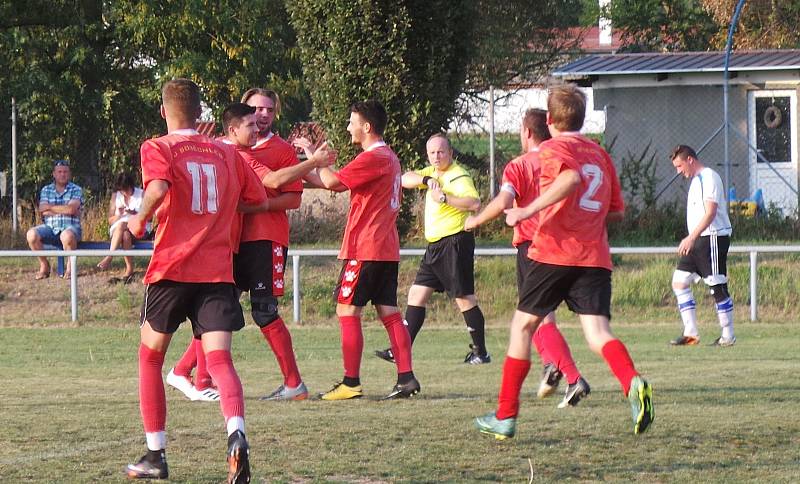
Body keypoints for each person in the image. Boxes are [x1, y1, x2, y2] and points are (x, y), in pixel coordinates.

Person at [473, 84, 654, 439]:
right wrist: (586, 216)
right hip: (594, 256)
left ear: (551, 120)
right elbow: (616, 212)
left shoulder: (555, 147)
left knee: (522, 327)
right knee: (598, 334)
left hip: (554, 251)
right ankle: (632, 383)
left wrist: (526, 209)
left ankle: (505, 417)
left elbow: (570, 178)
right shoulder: (600, 154)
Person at [124, 79, 268, 483]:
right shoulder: (226, 152)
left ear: (163, 110)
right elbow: (255, 197)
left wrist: (140, 217)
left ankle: (156, 454)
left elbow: (157, 186)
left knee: (151, 357)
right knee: (220, 360)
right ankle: (236, 433)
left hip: (172, 268)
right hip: (218, 272)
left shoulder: (158, 146)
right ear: (201, 111)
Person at [167, 98, 335, 403]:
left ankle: (290, 382)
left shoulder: (278, 150)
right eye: (255, 113)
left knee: (257, 310)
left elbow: (293, 196)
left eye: (268, 111)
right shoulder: (225, 150)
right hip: (229, 242)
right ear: (235, 125)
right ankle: (192, 375)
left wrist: (258, 203)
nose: (261, 118)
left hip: (264, 239)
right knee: (217, 309)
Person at [465, 108, 589, 407]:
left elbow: (505, 201)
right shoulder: (561, 161)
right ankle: (552, 365)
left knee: (534, 319)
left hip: (533, 247)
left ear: (527, 133)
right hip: (564, 246)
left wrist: (477, 220)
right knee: (536, 317)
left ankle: (571, 377)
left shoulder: (519, 165)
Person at [304, 100, 420, 401]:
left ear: (366, 127)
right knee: (390, 314)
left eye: (351, 121)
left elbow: (330, 180)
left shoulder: (374, 157)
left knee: (347, 309)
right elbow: (328, 183)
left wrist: (315, 158)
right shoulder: (388, 157)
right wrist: (300, 170)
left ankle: (350, 382)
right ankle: (406, 378)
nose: (348, 126)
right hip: (385, 247)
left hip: (365, 246)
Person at [373, 133, 489, 365]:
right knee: (416, 294)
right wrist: (426, 181)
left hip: (454, 242)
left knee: (464, 298)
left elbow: (474, 203)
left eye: (441, 152)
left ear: (450, 153)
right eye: (432, 152)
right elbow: (405, 179)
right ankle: (400, 351)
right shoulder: (433, 173)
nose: (436, 156)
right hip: (436, 246)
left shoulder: (458, 176)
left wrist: (444, 197)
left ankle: (481, 353)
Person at [669, 145, 735, 347]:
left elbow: (711, 213)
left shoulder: (709, 177)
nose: (679, 171)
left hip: (712, 237)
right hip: (698, 239)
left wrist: (691, 238)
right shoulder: (697, 181)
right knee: (679, 281)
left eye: (680, 166)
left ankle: (728, 335)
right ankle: (691, 334)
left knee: (716, 285)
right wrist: (692, 238)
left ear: (690, 160)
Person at [26, 159, 84, 279]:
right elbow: (42, 210)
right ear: (54, 174)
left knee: (66, 236)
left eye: (65, 172)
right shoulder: (46, 190)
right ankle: (44, 265)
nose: (62, 174)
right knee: (31, 235)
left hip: (71, 228)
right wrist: (64, 209)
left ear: (69, 174)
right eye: (59, 172)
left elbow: (71, 210)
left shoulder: (76, 189)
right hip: (50, 228)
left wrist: (50, 208)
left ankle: (70, 268)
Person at [97, 172, 149, 281]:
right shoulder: (116, 196)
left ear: (131, 186)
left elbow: (150, 217)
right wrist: (119, 215)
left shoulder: (142, 194)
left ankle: (109, 257)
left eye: (126, 189)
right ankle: (129, 268)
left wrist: (136, 214)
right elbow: (110, 220)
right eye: (121, 190)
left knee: (122, 225)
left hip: (139, 228)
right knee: (125, 235)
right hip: (119, 231)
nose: (124, 193)